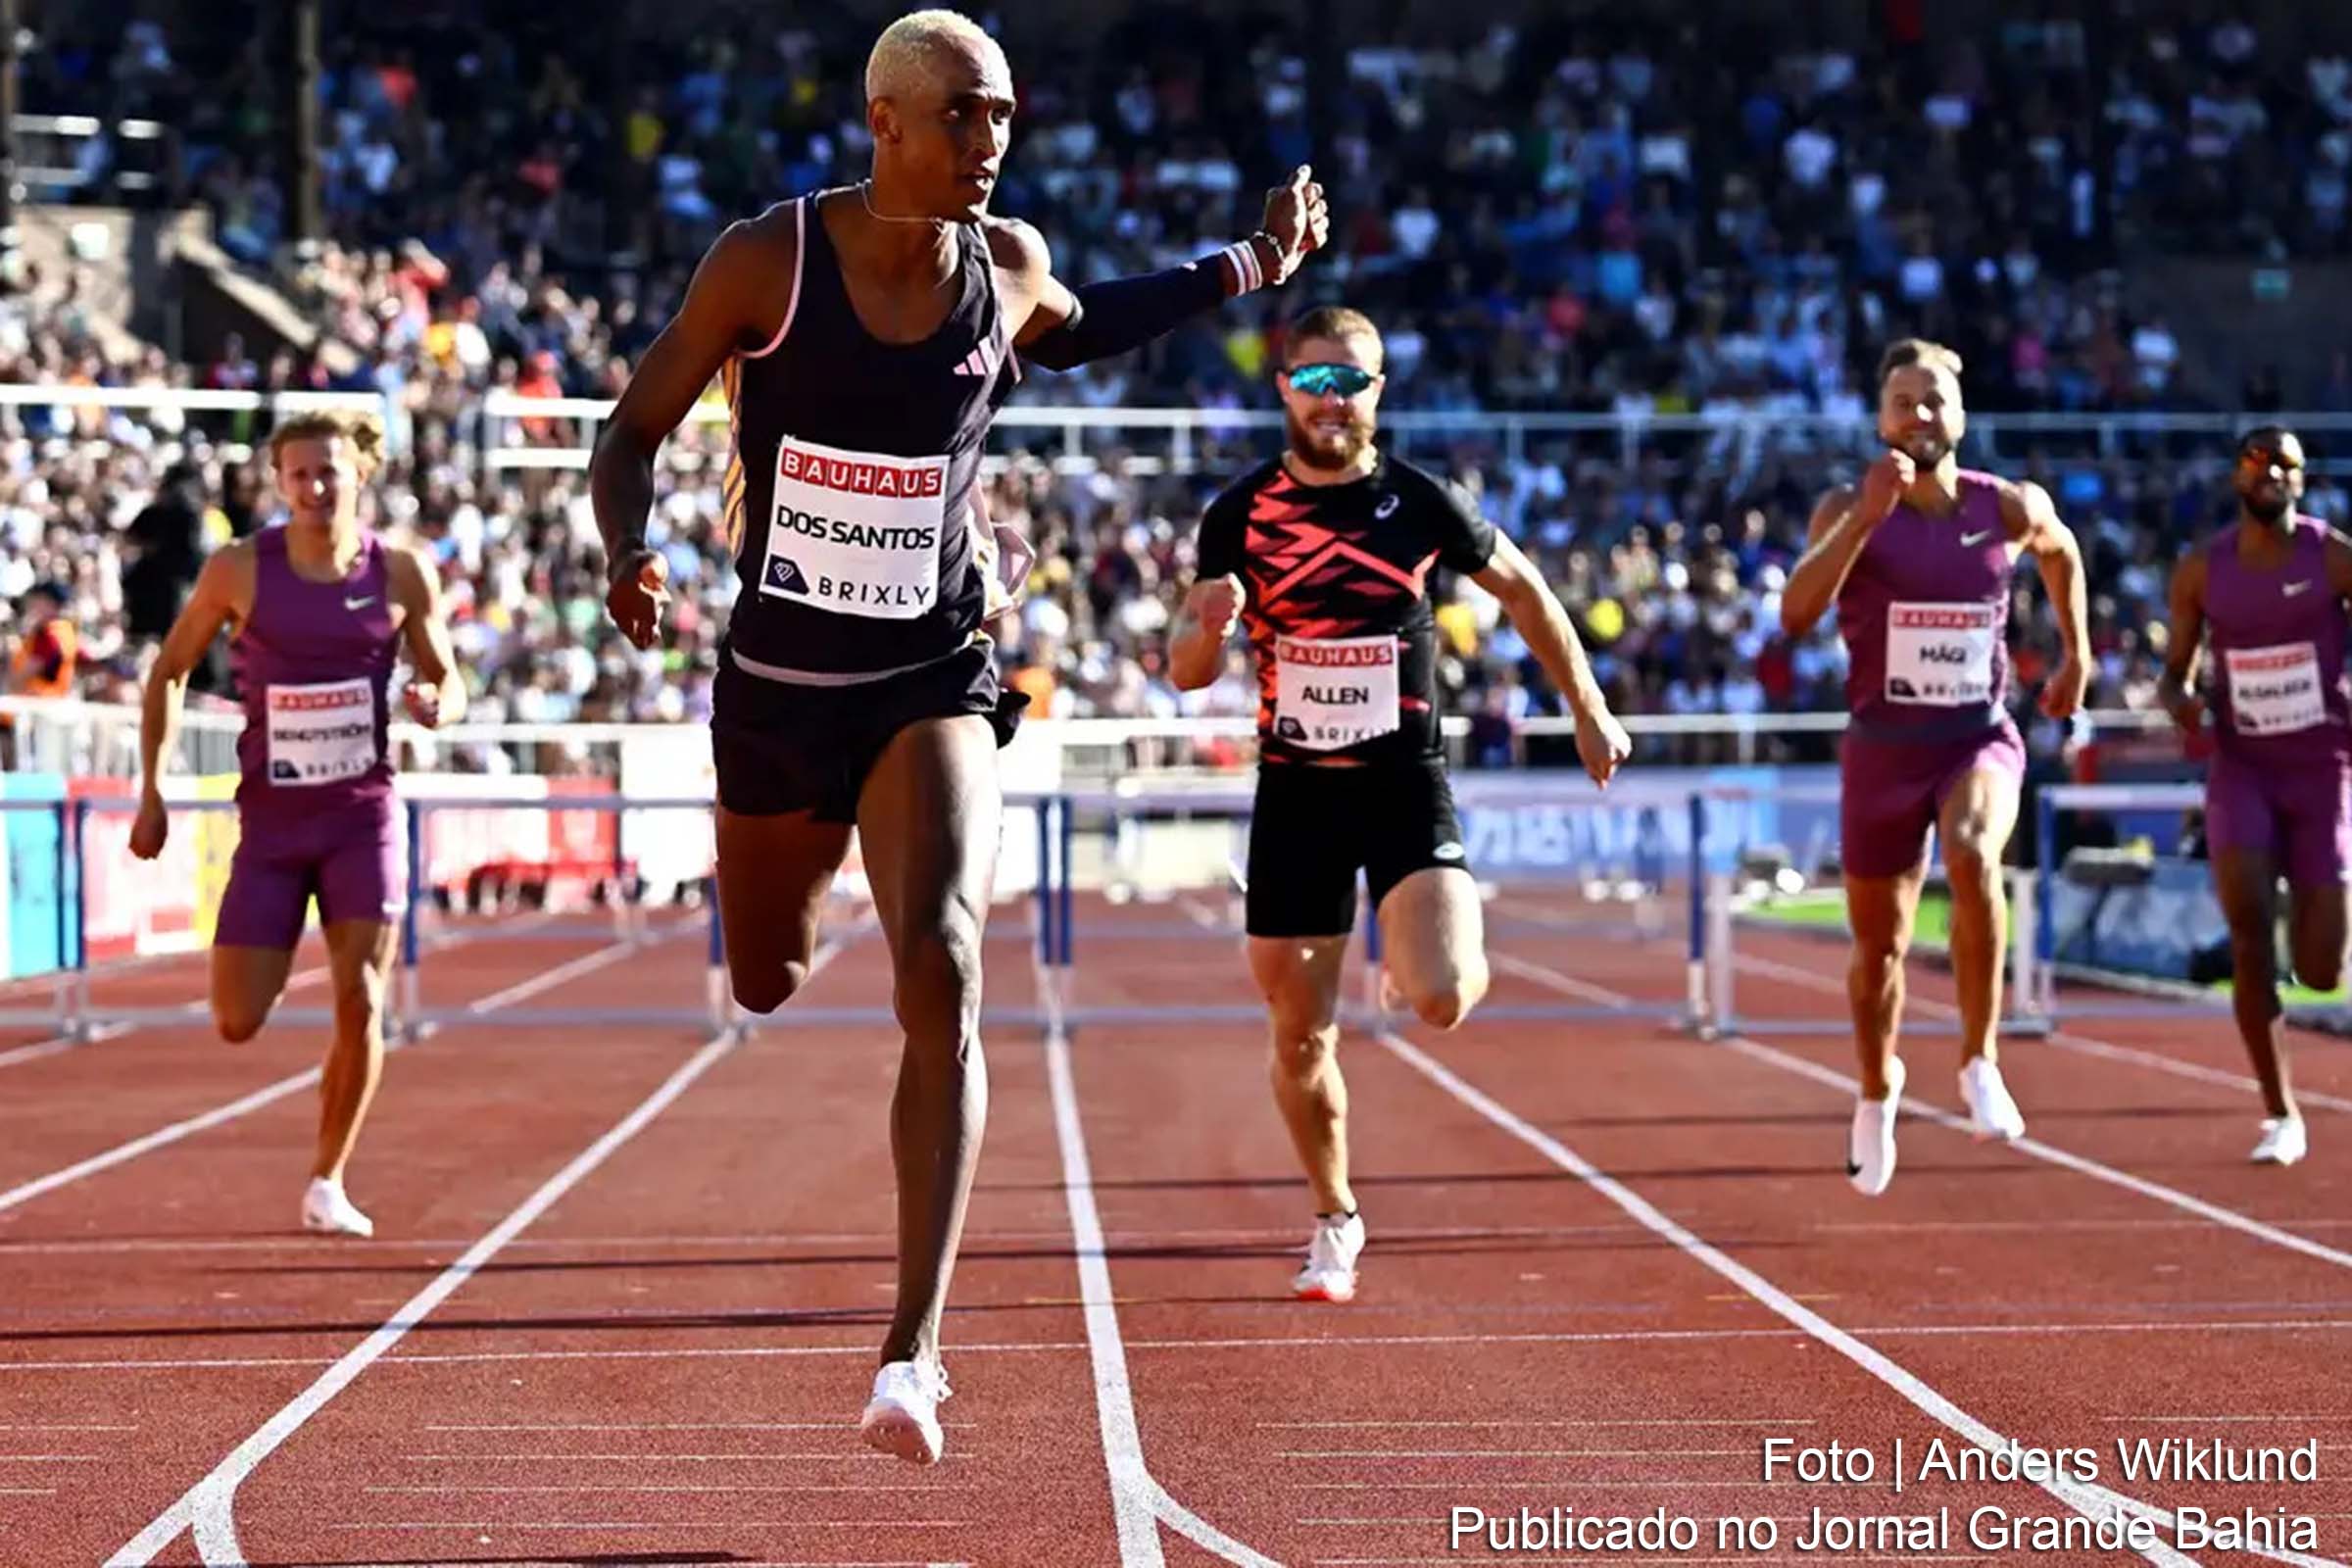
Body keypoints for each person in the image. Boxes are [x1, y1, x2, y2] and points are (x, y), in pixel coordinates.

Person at [588, 7, 1328, 1464]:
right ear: (887, 123)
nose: (994, 144)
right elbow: (633, 427)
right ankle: (821, 882)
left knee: (948, 960)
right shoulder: (767, 260)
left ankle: (912, 1353)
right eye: (967, 117)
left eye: (1004, 118)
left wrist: (1254, 265)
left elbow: (1090, 322)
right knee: (765, 975)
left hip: (933, 669)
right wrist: (628, 551)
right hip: (780, 689)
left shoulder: (1005, 265)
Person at [1168, 306, 1632, 1303]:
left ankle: (1404, 946)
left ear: (1382, 392)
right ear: (1282, 385)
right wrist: (1209, 629)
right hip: (1295, 793)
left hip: (1402, 780)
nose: (1335, 400)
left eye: (1356, 381)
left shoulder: (1423, 502)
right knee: (1298, 1036)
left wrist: (1588, 709)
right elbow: (1185, 667)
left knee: (1445, 996)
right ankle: (1335, 1215)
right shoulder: (1237, 515)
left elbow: (1528, 593)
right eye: (1317, 380)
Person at [130, 410, 464, 1237]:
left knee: (362, 997)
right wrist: (152, 788)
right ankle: (324, 1137)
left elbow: (449, 679)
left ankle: (327, 1179)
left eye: (330, 473)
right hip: (272, 832)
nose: (316, 488)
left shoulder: (402, 573)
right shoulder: (240, 570)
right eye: (300, 475)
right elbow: (169, 670)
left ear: (360, 476)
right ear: (278, 483)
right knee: (236, 1019)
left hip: (362, 818)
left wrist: (434, 704)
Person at [1779, 339, 2088, 1197]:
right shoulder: (1849, 504)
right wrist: (1863, 520)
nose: (1919, 415)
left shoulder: (2009, 506)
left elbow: (2061, 554)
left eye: (1935, 400)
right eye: (1903, 401)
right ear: (1880, 417)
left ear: (1961, 415)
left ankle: (1979, 1058)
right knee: (1878, 947)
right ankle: (1877, 1091)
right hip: (1882, 749)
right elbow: (1797, 615)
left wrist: (2077, 655)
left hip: (1973, 735)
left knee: (1975, 853)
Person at [2156, 426, 2350, 1166]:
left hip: (2322, 766)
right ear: (2237, 477)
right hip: (2243, 767)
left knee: (2324, 967)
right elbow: (2174, 672)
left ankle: (2302, 940)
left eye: (2287, 465)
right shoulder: (2203, 570)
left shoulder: (2333, 558)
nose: (2272, 472)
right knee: (2247, 930)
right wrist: (2183, 704)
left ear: (2303, 481)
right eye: (2258, 461)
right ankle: (2280, 1113)